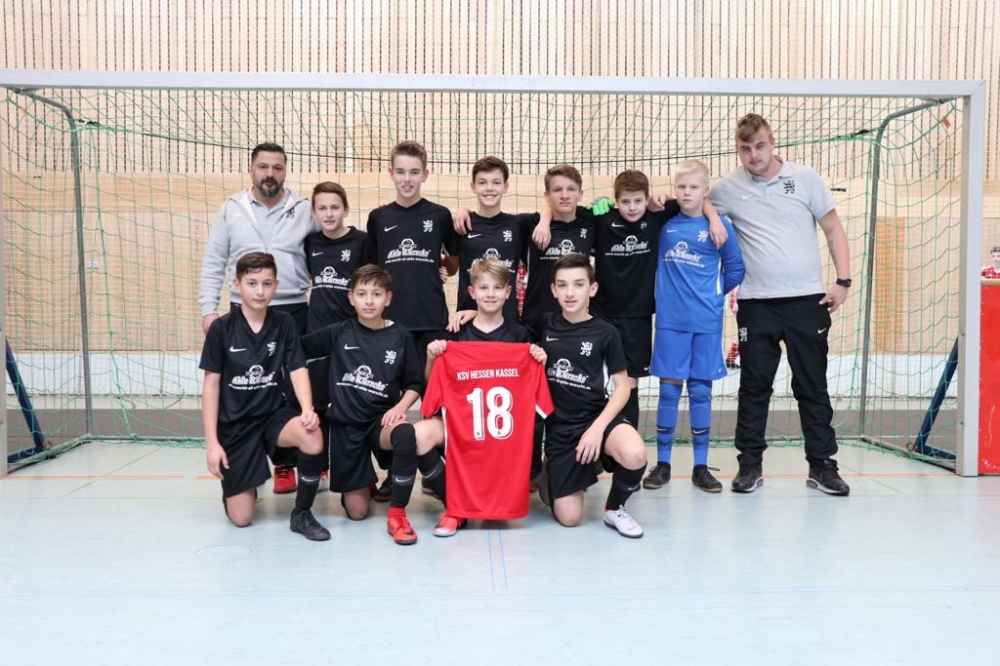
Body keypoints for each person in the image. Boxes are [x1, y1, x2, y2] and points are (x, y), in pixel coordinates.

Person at [711, 113, 852, 496]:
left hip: (806, 301)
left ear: (773, 143)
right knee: (754, 388)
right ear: (738, 149)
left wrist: (843, 281)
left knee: (812, 385)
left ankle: (822, 466)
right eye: (745, 149)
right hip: (756, 304)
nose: (754, 155)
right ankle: (749, 466)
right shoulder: (727, 188)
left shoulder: (805, 179)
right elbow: (695, 204)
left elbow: (833, 228)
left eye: (760, 146)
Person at [199, 142, 316, 495]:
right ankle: (244, 455)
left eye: (277, 168)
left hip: (292, 309)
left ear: (285, 171)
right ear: (251, 169)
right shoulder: (232, 209)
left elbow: (328, 242)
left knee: (291, 388)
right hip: (242, 309)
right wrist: (209, 309)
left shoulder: (303, 209)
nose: (270, 174)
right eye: (263, 167)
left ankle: (285, 464)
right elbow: (214, 261)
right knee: (246, 387)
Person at [301, 264, 445, 546]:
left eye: (376, 294)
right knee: (357, 513)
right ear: (351, 298)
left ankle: (398, 515)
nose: (369, 301)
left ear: (388, 298)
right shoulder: (338, 333)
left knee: (406, 434)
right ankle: (362, 481)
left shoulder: (401, 336)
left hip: (381, 423)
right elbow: (296, 348)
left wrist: (400, 408)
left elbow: (416, 383)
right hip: (346, 427)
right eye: (362, 293)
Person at [200, 252, 330, 541]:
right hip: (236, 426)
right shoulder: (221, 329)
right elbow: (210, 387)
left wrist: (307, 409)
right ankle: (246, 480)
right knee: (242, 519)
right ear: (237, 284)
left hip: (272, 417)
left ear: (276, 285)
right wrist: (212, 444)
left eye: (267, 283)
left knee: (312, 433)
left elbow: (297, 368)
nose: (260, 291)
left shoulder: (284, 323)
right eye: (252, 283)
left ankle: (302, 514)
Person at [588, 169, 726, 427]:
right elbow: (569, 214)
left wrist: (715, 218)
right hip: (602, 313)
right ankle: (594, 436)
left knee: (630, 380)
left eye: (638, 201)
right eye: (625, 201)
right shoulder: (603, 218)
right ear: (616, 201)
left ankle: (626, 437)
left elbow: (695, 200)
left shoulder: (656, 216)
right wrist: (597, 202)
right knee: (596, 378)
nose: (632, 207)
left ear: (647, 198)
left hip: (639, 316)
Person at [423, 259, 548, 536]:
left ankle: (531, 479)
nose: (490, 294)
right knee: (418, 435)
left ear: (508, 292)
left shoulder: (520, 337)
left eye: (497, 288)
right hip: (464, 427)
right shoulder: (456, 333)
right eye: (483, 288)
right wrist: (433, 358)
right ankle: (454, 507)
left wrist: (539, 359)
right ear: (471, 292)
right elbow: (433, 384)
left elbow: (536, 397)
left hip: (503, 434)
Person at [644, 160, 744, 493]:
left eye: (694, 187)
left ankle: (701, 466)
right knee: (669, 391)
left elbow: (735, 269)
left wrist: (712, 296)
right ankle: (663, 464)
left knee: (701, 391)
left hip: (706, 322)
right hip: (671, 323)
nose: (687, 193)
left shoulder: (720, 226)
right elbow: (645, 207)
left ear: (706, 190)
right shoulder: (665, 224)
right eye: (682, 187)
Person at [538, 254, 648, 538]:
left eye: (578, 284)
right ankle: (551, 472)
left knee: (635, 453)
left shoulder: (606, 332)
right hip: (562, 430)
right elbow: (505, 330)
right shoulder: (543, 326)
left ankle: (614, 508)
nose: (570, 292)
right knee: (570, 519)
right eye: (563, 285)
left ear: (592, 288)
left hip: (596, 419)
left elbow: (623, 387)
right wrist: (473, 314)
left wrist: (597, 429)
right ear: (553, 290)